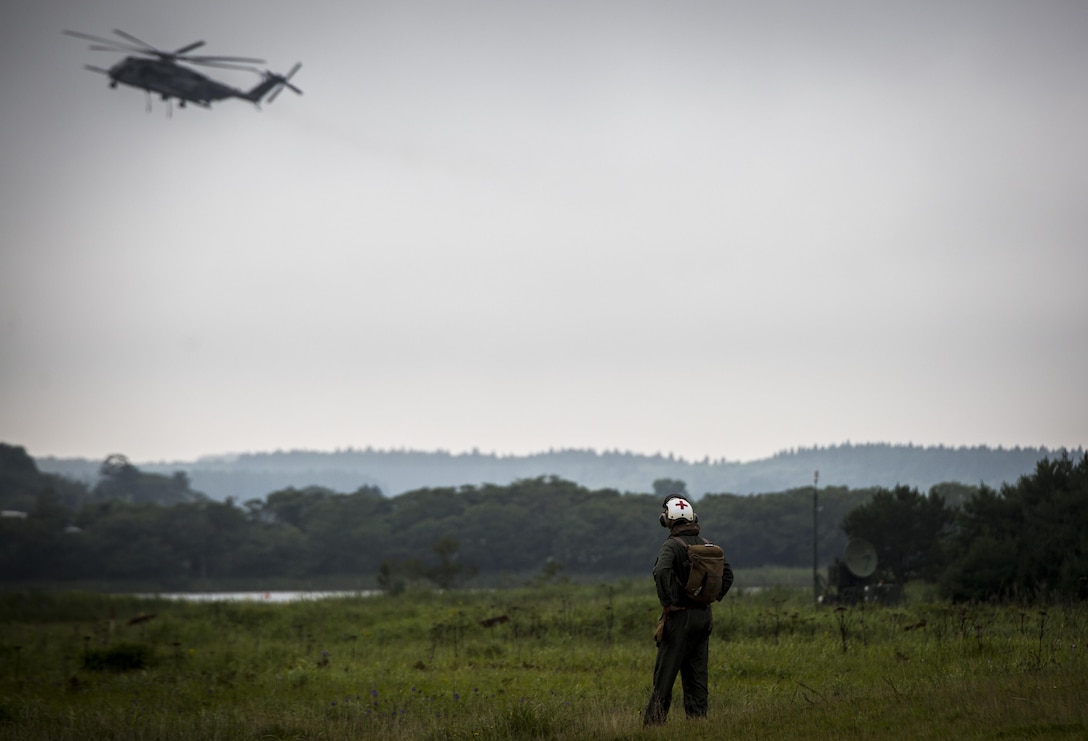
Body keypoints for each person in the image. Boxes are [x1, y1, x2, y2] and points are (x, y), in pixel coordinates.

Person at [643, 494, 733, 725]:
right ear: (693, 518)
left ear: (667, 520)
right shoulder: (707, 544)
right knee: (697, 675)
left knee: (664, 676)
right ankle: (697, 725)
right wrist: (710, 597)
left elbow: (661, 571)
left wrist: (668, 601)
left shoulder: (672, 545)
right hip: (704, 617)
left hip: (679, 617)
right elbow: (728, 574)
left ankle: (654, 726)